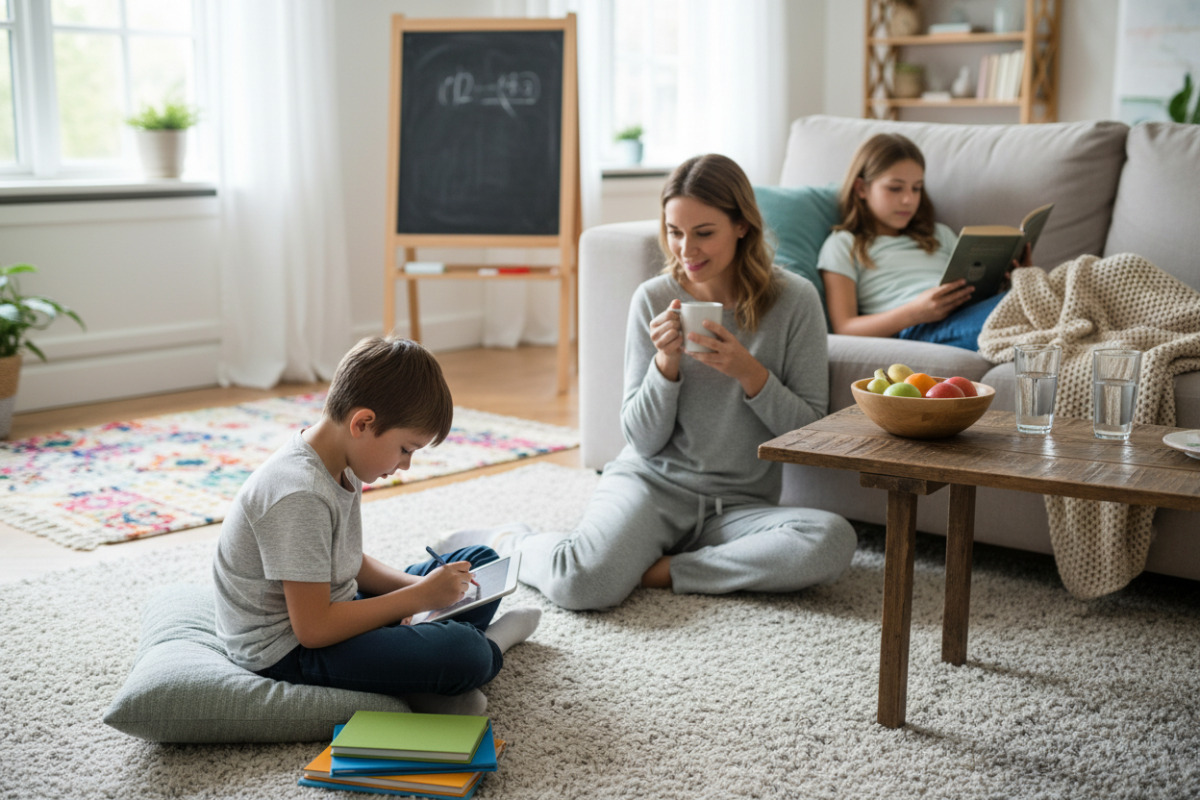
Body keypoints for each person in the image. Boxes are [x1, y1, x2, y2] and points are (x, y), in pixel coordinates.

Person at [440, 154, 856, 611]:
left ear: (742, 226)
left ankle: (662, 569)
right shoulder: (654, 299)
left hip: (739, 506)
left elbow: (809, 435)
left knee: (831, 540)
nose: (686, 250)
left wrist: (748, 371)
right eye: (675, 232)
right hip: (652, 487)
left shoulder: (795, 301)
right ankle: (512, 541)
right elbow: (642, 440)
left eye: (704, 233)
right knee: (582, 585)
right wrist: (665, 364)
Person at [212, 336, 541, 716]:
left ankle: (416, 676)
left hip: (336, 606)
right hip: (290, 649)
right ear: (363, 423)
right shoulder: (299, 494)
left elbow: (349, 560)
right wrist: (418, 599)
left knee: (479, 562)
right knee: (465, 652)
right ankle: (489, 646)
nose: (406, 465)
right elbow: (313, 629)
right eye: (405, 449)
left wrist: (421, 587)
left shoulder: (340, 462)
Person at [817, 132, 1031, 351]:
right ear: (861, 188)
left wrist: (1011, 279)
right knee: (1029, 308)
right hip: (917, 327)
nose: (908, 199)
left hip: (968, 313)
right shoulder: (843, 244)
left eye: (916, 188)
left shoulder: (939, 234)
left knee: (1035, 293)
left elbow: (972, 289)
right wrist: (914, 312)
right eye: (895, 188)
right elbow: (844, 327)